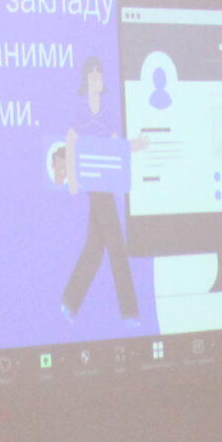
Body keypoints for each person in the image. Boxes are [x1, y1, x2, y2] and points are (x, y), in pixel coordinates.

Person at [59, 53, 143, 320]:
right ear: (86, 79)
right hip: (94, 186)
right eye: (94, 75)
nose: (98, 78)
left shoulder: (107, 113)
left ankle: (69, 301)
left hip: (106, 184)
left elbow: (116, 146)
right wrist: (73, 179)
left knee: (95, 247)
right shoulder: (82, 112)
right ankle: (130, 313)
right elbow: (70, 143)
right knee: (116, 245)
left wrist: (136, 145)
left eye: (100, 74)